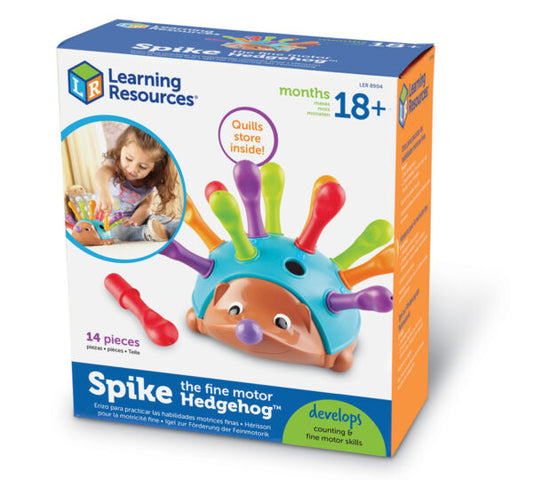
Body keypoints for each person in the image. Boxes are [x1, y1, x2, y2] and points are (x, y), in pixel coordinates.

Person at [95, 126, 182, 242]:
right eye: (129, 159)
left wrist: (135, 220)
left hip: (134, 217)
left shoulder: (148, 182)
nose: (132, 169)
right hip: (108, 220)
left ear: (154, 168)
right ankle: (147, 233)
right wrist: (103, 191)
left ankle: (178, 228)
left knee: (157, 219)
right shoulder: (113, 165)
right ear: (121, 149)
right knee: (118, 230)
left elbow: (146, 206)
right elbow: (102, 172)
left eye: (143, 166)